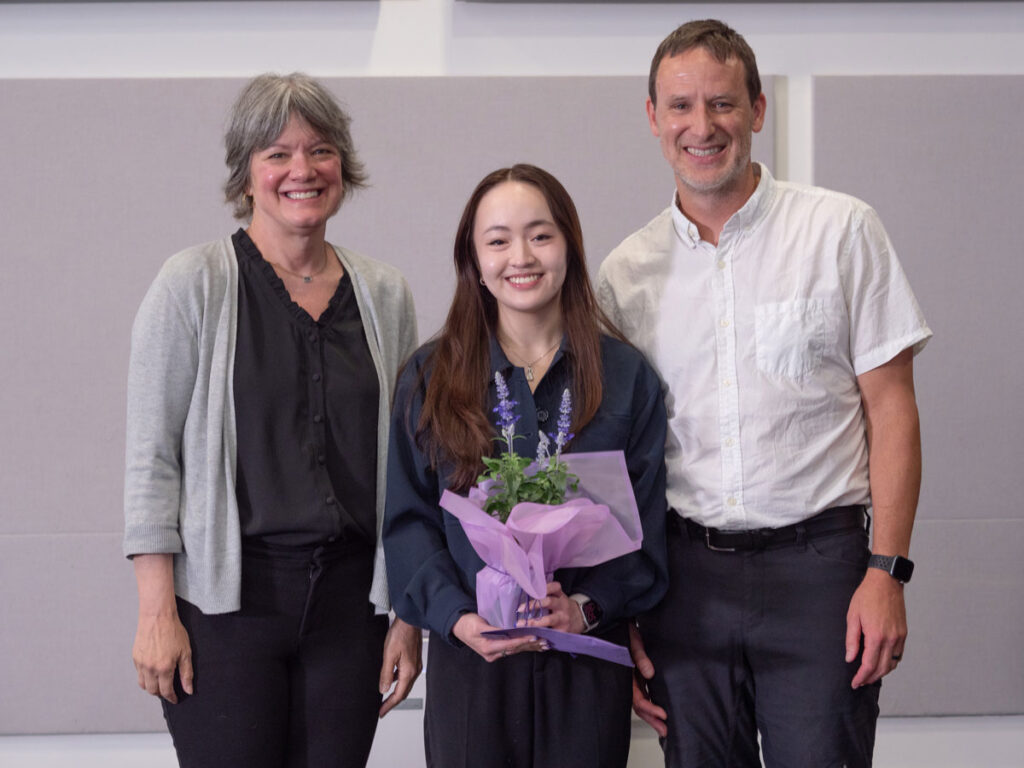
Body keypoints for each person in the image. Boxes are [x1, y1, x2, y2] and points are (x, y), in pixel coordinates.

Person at [597, 20, 932, 768]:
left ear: (757, 109)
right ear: (653, 117)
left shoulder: (840, 231)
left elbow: (892, 408)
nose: (702, 126)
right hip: (682, 583)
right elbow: (616, 458)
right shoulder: (624, 275)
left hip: (822, 575)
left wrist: (888, 572)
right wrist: (622, 611)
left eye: (722, 103)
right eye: (681, 106)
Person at [124, 73, 421, 768]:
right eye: (278, 153)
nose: (302, 170)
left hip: (354, 608)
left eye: (320, 150)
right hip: (229, 609)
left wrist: (407, 617)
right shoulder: (191, 283)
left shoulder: (385, 294)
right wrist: (155, 611)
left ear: (342, 167)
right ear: (247, 172)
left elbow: (414, 469)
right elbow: (152, 458)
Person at [383, 164, 669, 768]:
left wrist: (585, 610)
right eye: (498, 240)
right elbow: (408, 523)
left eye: (541, 235)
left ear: (569, 245)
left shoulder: (626, 378)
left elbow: (647, 534)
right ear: (474, 260)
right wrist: (456, 619)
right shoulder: (429, 379)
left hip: (586, 663)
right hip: (472, 664)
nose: (521, 256)